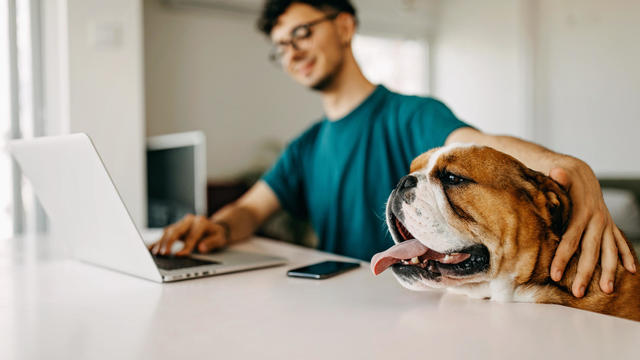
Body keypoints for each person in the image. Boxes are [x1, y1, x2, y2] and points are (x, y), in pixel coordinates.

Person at [149, 0, 636, 298]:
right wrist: (211, 228)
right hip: (336, 302)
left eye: (302, 33)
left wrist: (567, 168)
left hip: (417, 302)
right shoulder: (306, 145)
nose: (292, 52)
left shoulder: (411, 113)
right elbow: (250, 212)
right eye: (280, 46)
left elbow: (481, 147)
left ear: (343, 26)